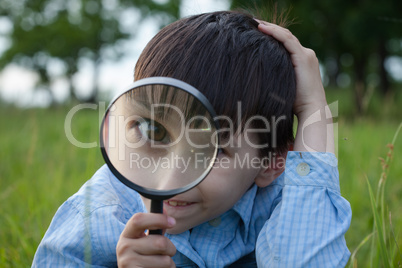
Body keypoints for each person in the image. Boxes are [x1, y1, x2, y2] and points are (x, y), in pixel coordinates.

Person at [32, 11, 352, 267]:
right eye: (153, 131)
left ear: (270, 163)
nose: (169, 179)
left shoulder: (289, 205)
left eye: (212, 150)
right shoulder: (100, 212)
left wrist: (313, 108)